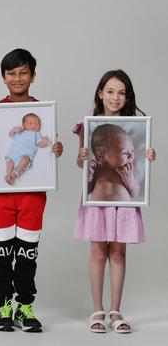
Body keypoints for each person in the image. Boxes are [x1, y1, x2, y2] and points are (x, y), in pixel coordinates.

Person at [0, 48, 63, 332]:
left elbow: (49, 151)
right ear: (3, 77)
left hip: (33, 195)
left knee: (27, 253)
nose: (17, 78)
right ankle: (3, 304)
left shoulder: (42, 113)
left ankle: (25, 306)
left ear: (33, 76)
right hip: (0, 194)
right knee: (1, 253)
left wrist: (56, 149)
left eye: (23, 73)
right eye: (12, 73)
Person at [74, 70, 156, 334]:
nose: (115, 97)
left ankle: (116, 310)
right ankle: (97, 309)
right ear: (100, 93)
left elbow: (136, 185)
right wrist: (82, 156)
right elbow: (81, 164)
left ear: (127, 96)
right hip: (97, 204)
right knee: (98, 253)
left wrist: (148, 156)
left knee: (118, 253)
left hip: (125, 206)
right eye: (110, 91)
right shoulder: (89, 125)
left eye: (122, 92)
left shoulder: (136, 126)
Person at [87, 124, 139, 201]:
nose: (131, 155)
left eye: (132, 150)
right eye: (124, 153)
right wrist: (89, 177)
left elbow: (135, 193)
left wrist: (130, 181)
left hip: (124, 211)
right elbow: (87, 191)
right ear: (101, 156)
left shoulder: (127, 171)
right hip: (99, 211)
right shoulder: (96, 169)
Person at [4, 113, 51, 185]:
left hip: (25, 155)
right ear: (23, 125)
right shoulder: (20, 132)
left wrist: (45, 141)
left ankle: (15, 173)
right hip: (13, 154)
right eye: (30, 123)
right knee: (10, 162)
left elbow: (40, 144)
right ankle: (8, 175)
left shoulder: (36, 134)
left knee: (25, 160)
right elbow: (10, 134)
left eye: (36, 124)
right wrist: (14, 130)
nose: (34, 125)